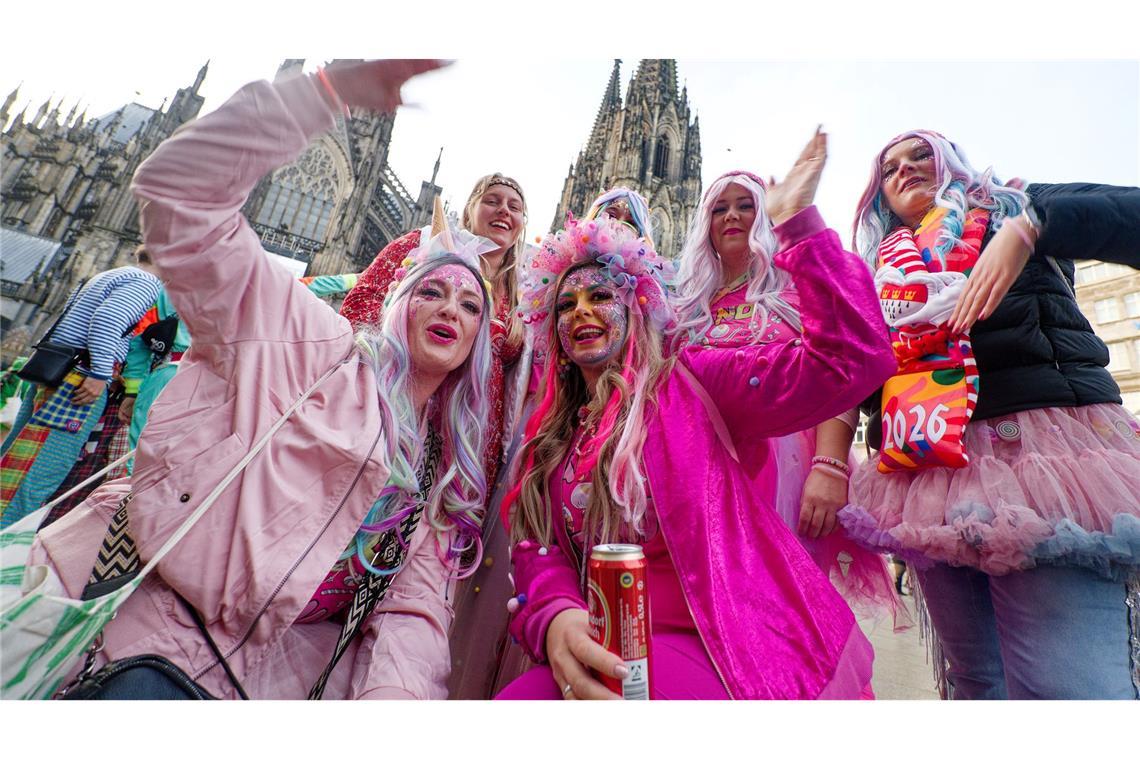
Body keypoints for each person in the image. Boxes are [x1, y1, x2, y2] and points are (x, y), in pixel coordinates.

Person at [26, 59, 496, 699]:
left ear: (479, 343)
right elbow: (180, 194)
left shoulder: (442, 468)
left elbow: (410, 622)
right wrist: (318, 96)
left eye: (471, 305)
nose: (450, 310)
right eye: (431, 290)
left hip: (275, 685)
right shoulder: (316, 350)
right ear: (395, 305)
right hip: (159, 648)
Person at [495, 131, 898, 700]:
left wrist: (799, 227)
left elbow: (852, 360)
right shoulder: (554, 435)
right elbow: (536, 544)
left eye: (601, 296)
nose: (582, 312)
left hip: (715, 638)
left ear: (637, 306)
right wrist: (556, 614)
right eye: (566, 303)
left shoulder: (690, 381)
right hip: (600, 642)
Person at [841, 129, 1140, 699]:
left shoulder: (1011, 204)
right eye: (889, 167)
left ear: (951, 161)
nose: (905, 169)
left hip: (1037, 462)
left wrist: (1031, 228)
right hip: (926, 471)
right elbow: (854, 375)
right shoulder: (880, 270)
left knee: (1069, 687)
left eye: (921, 154)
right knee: (977, 680)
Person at [671, 166, 902, 623]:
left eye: (745, 205)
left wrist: (830, 466)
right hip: (702, 472)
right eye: (719, 208)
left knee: (781, 609)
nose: (731, 216)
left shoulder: (795, 286)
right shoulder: (687, 307)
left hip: (787, 473)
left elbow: (837, 377)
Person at [341, 175, 530, 699]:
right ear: (469, 207)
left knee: (424, 580)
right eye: (492, 200)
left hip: (466, 455)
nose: (504, 211)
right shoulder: (421, 245)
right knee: (358, 555)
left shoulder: (520, 290)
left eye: (515, 205)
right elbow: (359, 310)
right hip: (395, 432)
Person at [0, 264, 160, 528]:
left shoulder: (110, 274)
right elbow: (107, 319)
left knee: (16, 459)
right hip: (79, 381)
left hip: (58, 372)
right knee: (41, 471)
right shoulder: (146, 281)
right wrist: (100, 373)